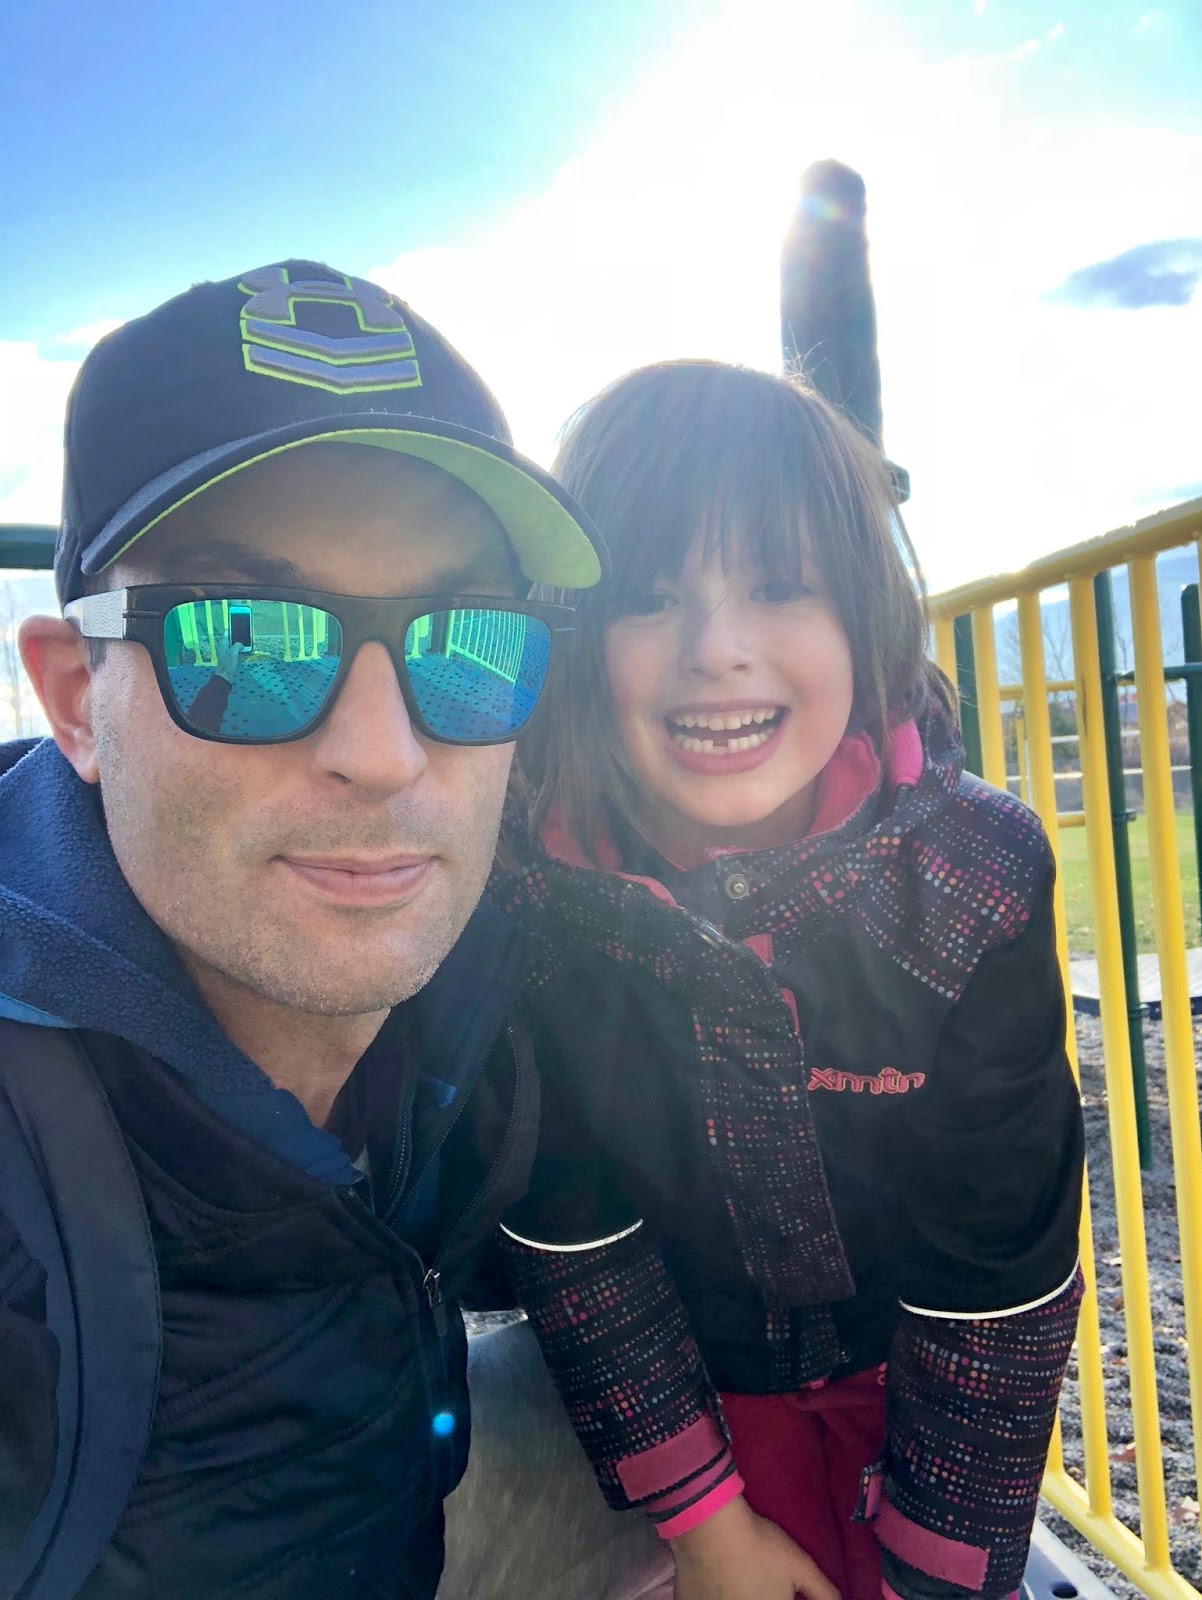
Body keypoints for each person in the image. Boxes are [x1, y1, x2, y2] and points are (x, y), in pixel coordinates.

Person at [0, 259, 607, 1600]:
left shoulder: (498, 981)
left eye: (465, 642)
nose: (384, 754)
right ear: (77, 696)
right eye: (248, 642)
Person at [492, 360, 1086, 1600]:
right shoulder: (535, 894)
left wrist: (940, 1564)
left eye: (778, 587)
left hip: (924, 1370)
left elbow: (994, 1263)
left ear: (864, 615)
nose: (715, 649)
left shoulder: (974, 870)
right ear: (574, 638)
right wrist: (704, 1523)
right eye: (647, 599)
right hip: (683, 1383)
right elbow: (573, 1223)